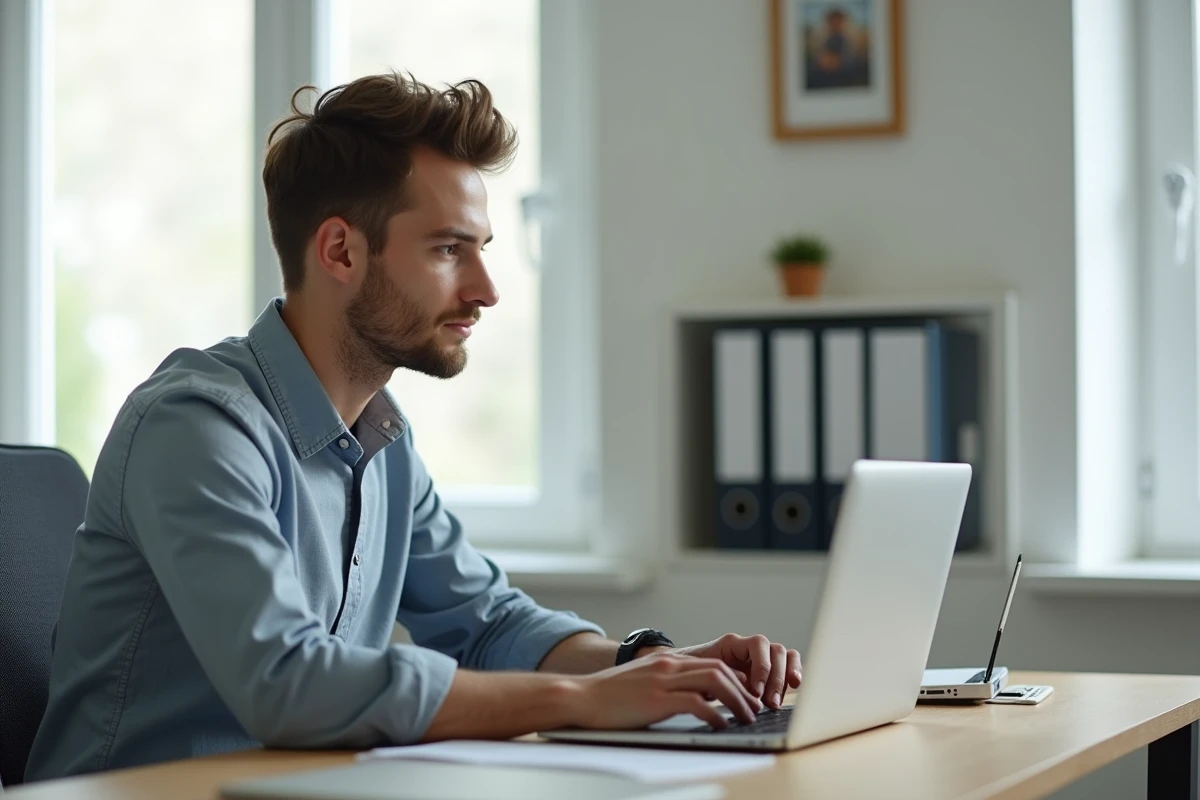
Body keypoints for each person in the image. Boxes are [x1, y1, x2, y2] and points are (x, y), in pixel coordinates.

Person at [25, 72, 801, 781]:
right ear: (340, 251)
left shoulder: (382, 440)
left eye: (482, 250)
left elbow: (488, 624)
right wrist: (581, 701)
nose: (487, 289)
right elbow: (288, 684)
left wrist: (653, 666)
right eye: (448, 250)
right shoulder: (197, 428)